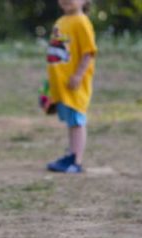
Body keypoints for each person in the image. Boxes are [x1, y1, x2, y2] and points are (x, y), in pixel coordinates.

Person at [46, 0, 97, 173]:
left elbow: (88, 52)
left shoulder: (81, 22)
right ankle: (71, 154)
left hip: (75, 85)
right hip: (62, 86)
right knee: (71, 122)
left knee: (77, 121)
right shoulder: (61, 22)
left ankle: (76, 160)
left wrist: (78, 75)